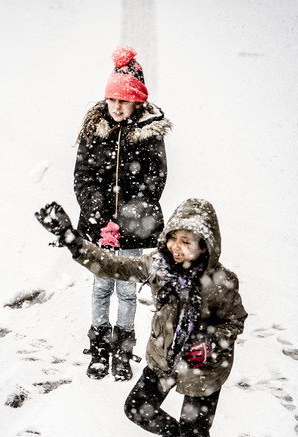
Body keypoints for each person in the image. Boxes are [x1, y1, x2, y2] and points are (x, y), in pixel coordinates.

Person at [35, 197, 247, 437]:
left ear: (205, 245)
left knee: (197, 435)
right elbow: (111, 265)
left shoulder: (222, 282)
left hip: (202, 371)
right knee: (137, 409)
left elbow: (235, 321)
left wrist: (209, 343)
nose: (177, 248)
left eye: (187, 242)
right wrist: (71, 239)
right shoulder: (157, 266)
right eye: (173, 239)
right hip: (163, 358)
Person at [73, 46, 171, 381]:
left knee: (127, 291)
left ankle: (122, 351)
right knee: (101, 287)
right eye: (112, 100)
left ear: (137, 102)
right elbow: (83, 177)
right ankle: (99, 348)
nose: (116, 107)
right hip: (100, 228)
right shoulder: (94, 128)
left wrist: (124, 219)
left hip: (132, 229)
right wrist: (101, 218)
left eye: (123, 101)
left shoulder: (147, 135)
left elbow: (153, 181)